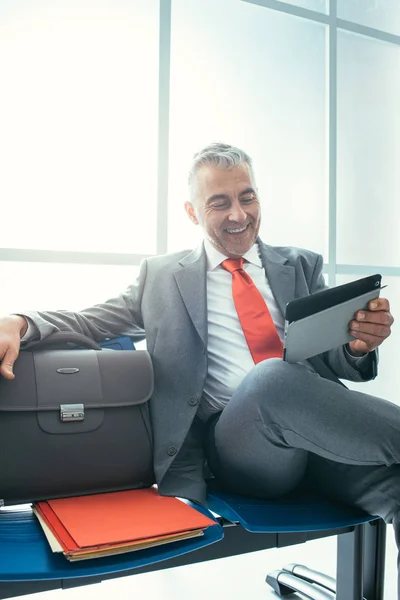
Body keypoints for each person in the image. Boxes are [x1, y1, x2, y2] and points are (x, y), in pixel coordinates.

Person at [0, 143, 397, 586]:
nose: (238, 215)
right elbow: (89, 321)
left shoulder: (301, 265)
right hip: (244, 450)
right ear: (192, 212)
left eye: (247, 197)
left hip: (322, 441)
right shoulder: (162, 278)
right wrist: (18, 321)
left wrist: (359, 345)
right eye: (219, 203)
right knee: (271, 380)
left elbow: (335, 363)